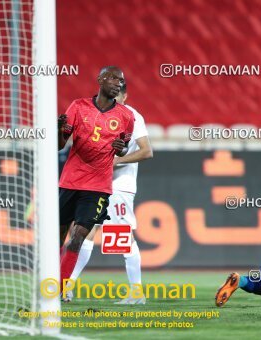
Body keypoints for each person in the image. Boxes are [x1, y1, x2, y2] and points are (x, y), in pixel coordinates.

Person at [67, 83, 153, 304]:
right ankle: (67, 285)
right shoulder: (98, 114)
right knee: (83, 232)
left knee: (122, 237)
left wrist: (116, 161)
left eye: (118, 94)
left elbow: (146, 151)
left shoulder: (133, 116)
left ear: (124, 94)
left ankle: (136, 292)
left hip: (119, 187)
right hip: (95, 184)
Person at [58, 66, 135, 289]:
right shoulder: (78, 106)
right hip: (70, 181)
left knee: (79, 235)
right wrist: (58, 131)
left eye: (121, 80)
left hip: (98, 186)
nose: (117, 83)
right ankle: (49, 282)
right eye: (113, 78)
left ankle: (61, 288)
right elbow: (59, 145)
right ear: (100, 79)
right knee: (60, 235)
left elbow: (123, 149)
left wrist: (121, 149)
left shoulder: (126, 116)